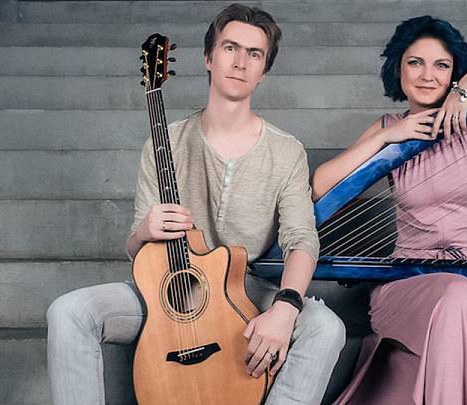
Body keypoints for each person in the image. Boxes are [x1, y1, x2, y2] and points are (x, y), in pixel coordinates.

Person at [46, 4, 345, 404]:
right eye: (230, 48)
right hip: (169, 287)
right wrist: (143, 231)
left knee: (326, 326)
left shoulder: (286, 151)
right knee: (68, 311)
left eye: (254, 54)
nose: (240, 62)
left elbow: (301, 239)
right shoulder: (164, 141)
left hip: (242, 288)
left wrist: (287, 306)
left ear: (264, 70)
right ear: (208, 57)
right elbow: (137, 250)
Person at [312, 16, 467, 405]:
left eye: (442, 65)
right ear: (398, 70)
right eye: (415, 62)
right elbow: (321, 185)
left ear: (453, 73)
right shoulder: (388, 128)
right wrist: (387, 138)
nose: (428, 75)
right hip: (408, 279)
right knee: (454, 292)